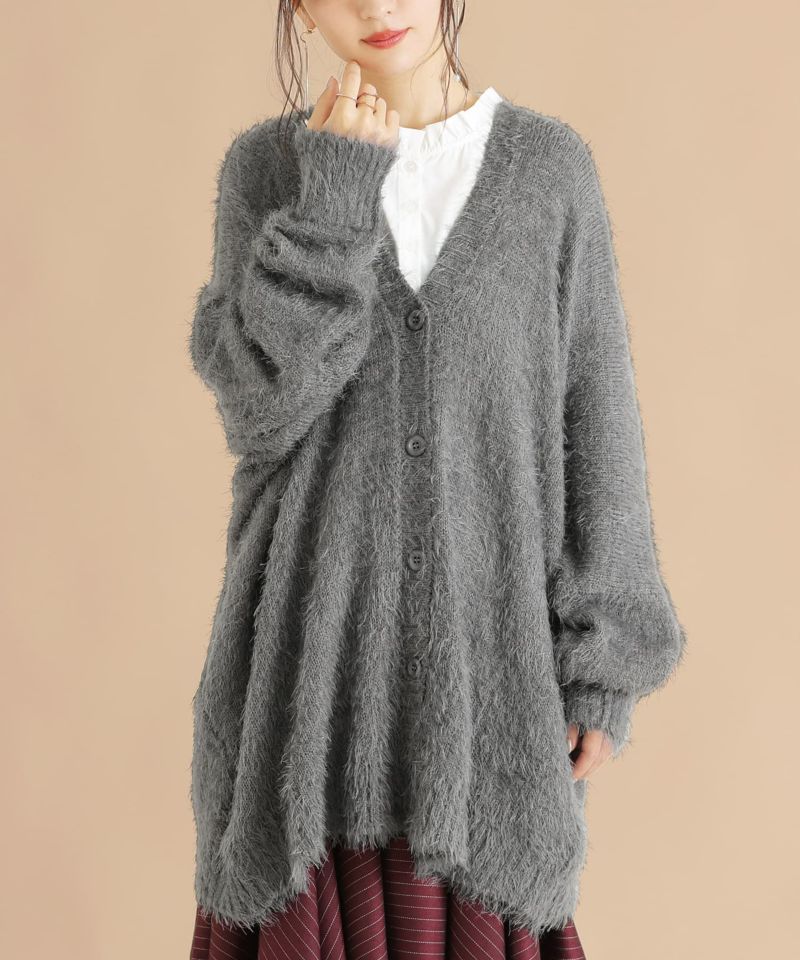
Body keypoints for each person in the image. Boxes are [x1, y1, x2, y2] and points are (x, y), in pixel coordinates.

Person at [186, 2, 687, 958]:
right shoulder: (267, 172)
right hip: (307, 706)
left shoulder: (549, 175)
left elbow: (599, 424)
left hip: (489, 703)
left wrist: (604, 668)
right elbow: (259, 413)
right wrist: (334, 197)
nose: (378, 5)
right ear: (299, 8)